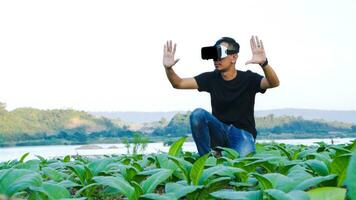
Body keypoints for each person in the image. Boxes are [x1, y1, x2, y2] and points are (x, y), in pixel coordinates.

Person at [162, 36, 280, 157]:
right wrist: (168, 68)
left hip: (242, 134)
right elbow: (178, 83)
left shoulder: (248, 78)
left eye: (220, 54)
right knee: (198, 114)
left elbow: (273, 83)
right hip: (219, 131)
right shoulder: (211, 78)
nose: (216, 59)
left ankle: (220, 154)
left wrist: (264, 64)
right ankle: (206, 159)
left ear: (234, 57)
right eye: (214, 55)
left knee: (241, 168)